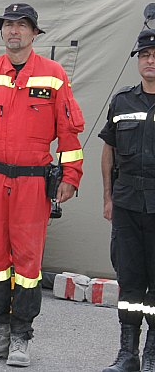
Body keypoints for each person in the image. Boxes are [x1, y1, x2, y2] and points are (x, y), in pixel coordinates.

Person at [0, 3, 84, 367]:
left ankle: (21, 337)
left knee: (28, 261)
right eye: (8, 26)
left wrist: (72, 178)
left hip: (33, 182)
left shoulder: (53, 75)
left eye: (22, 26)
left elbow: (69, 134)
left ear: (34, 34)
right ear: (2, 32)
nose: (13, 32)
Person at [99, 28, 155, 372]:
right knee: (130, 281)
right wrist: (108, 197)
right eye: (145, 55)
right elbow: (109, 149)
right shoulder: (122, 101)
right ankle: (127, 355)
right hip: (127, 204)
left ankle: (152, 355)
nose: (151, 61)